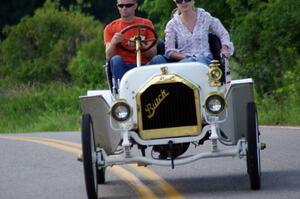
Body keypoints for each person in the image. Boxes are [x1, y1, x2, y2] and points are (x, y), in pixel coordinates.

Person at [104, 0, 166, 86]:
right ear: (117, 6)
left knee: (159, 58)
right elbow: (108, 56)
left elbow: (153, 53)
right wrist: (113, 43)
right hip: (124, 67)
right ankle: (122, 92)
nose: (124, 8)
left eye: (128, 5)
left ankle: (164, 89)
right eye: (121, 6)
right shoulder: (110, 28)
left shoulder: (146, 24)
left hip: (146, 66)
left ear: (135, 6)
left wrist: (140, 45)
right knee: (116, 59)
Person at [164, 0, 234, 65]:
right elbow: (170, 51)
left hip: (205, 59)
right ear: (176, 3)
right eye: (179, 0)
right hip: (185, 61)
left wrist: (224, 48)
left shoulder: (205, 17)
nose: (183, 2)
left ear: (193, 1)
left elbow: (223, 33)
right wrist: (185, 57)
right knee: (189, 63)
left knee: (200, 61)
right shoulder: (172, 24)